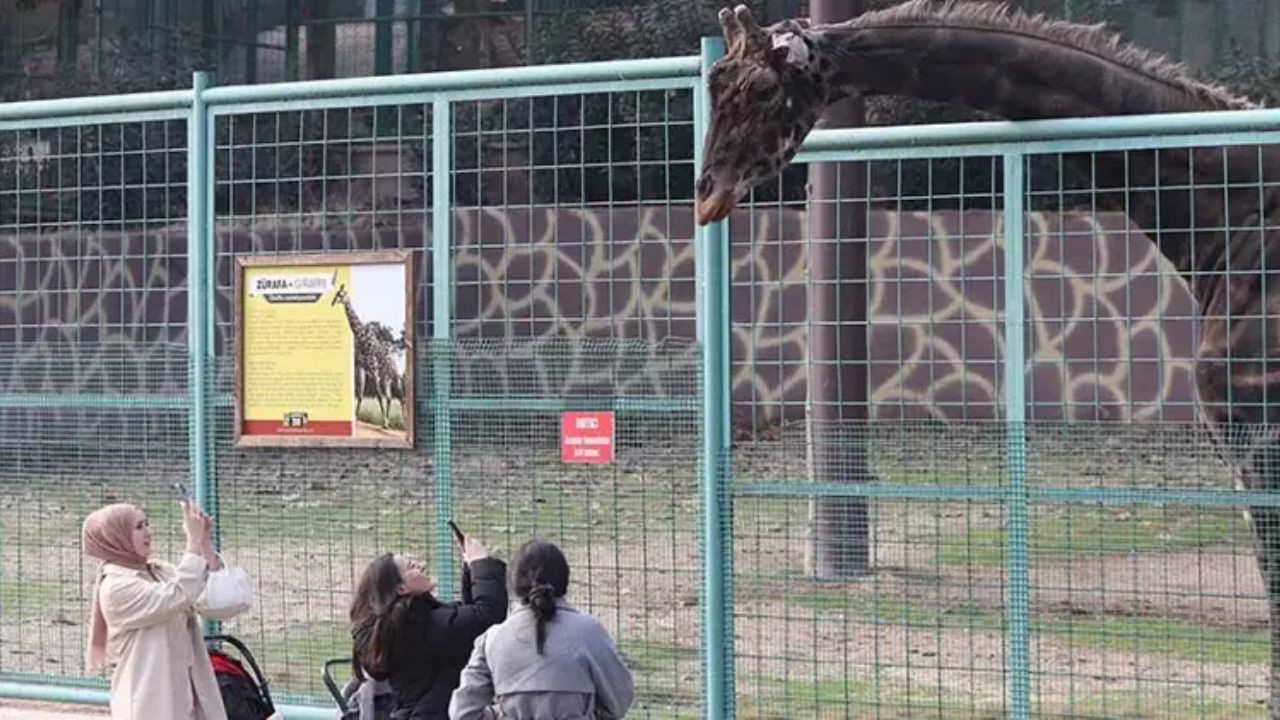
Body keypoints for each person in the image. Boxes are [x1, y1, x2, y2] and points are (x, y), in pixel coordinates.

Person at [448, 539, 635, 720]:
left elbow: (463, 712)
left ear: (514, 584)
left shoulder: (492, 640)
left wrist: (497, 714)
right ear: (564, 580)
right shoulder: (589, 633)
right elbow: (620, 701)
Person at [82, 499, 233, 720]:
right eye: (138, 527)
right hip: (150, 705)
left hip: (187, 698)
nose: (148, 532)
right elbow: (178, 595)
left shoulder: (159, 571)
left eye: (147, 524)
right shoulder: (116, 588)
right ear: (116, 537)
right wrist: (192, 541)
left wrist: (204, 544)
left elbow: (214, 600)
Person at [350, 535, 508, 720]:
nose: (422, 565)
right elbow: (488, 616)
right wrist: (481, 563)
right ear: (401, 589)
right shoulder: (420, 626)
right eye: (412, 567)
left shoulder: (409, 624)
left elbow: (468, 626)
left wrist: (470, 570)